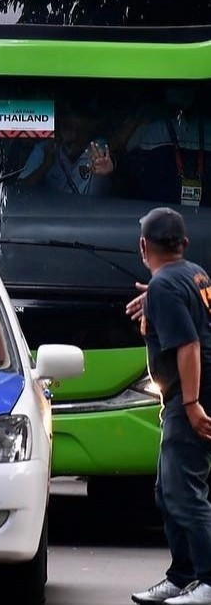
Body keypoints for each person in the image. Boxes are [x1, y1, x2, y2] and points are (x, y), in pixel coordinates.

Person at [130, 207, 211, 605]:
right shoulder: (194, 274)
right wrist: (156, 300)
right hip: (184, 397)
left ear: (144, 246)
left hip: (190, 396)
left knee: (185, 493)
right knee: (168, 490)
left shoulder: (165, 286)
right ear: (184, 244)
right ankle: (182, 576)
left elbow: (190, 345)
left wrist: (193, 403)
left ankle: (208, 580)